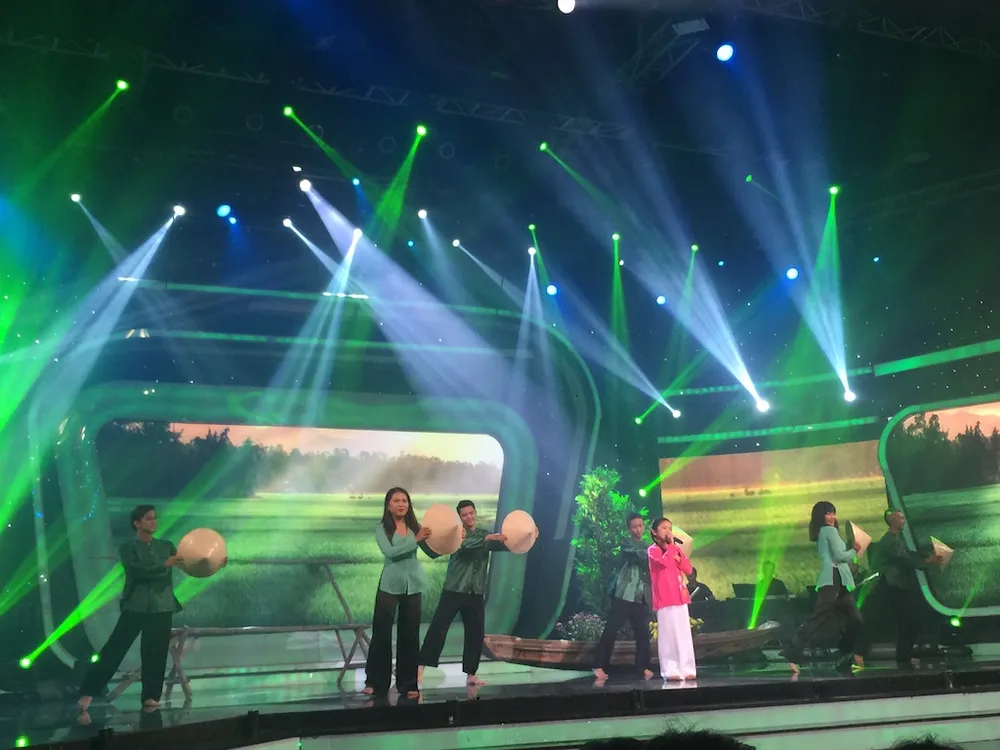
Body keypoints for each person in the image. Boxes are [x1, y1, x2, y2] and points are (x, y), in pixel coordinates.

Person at [78, 505, 223, 711]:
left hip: (162, 606)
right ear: (137, 523)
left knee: (156, 653)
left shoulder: (166, 546)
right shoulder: (128, 548)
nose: (153, 522)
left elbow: (188, 565)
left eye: (154, 518)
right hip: (135, 606)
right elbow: (138, 571)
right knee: (114, 649)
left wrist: (214, 563)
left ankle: (151, 697)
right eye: (148, 518)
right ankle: (88, 692)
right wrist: (164, 564)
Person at [418, 499, 508, 686]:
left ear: (475, 513)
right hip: (455, 589)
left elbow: (504, 544)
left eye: (471, 513)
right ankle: (420, 668)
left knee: (475, 633)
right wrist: (489, 539)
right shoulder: (458, 534)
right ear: (460, 517)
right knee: (438, 629)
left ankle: (471, 674)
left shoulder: (484, 534)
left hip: (476, 591)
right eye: (464, 514)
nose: (469, 517)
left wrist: (524, 536)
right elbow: (467, 545)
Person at [363, 487, 434, 700]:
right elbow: (390, 552)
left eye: (404, 500)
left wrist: (453, 537)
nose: (401, 504)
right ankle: (375, 681)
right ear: (388, 505)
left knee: (410, 635)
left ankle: (408, 683)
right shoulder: (381, 529)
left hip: (414, 584)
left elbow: (433, 551)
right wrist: (416, 539)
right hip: (390, 585)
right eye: (396, 501)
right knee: (382, 633)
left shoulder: (415, 527)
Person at [780, 501, 863, 674]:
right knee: (820, 617)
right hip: (833, 578)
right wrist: (854, 550)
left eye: (833, 513)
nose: (832, 517)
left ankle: (845, 656)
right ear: (821, 516)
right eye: (828, 513)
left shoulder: (826, 532)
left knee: (855, 619)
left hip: (840, 580)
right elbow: (839, 556)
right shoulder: (829, 531)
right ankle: (792, 651)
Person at [869, 509, 943, 663]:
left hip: (900, 585)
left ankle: (904, 655)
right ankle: (903, 656)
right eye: (901, 518)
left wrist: (926, 556)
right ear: (892, 521)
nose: (904, 520)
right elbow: (904, 559)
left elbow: (909, 554)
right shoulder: (888, 541)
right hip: (893, 586)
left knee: (909, 621)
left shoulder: (897, 538)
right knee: (908, 621)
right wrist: (927, 561)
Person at [593, 513, 654, 681]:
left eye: (640, 526)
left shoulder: (648, 546)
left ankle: (642, 667)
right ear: (629, 529)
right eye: (634, 527)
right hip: (624, 592)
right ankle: (599, 665)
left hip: (641, 595)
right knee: (612, 629)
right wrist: (652, 552)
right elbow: (639, 555)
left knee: (642, 632)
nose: (638, 529)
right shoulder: (626, 543)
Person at [648, 517, 696, 681]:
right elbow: (664, 563)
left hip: (680, 596)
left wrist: (678, 555)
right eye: (663, 528)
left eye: (670, 528)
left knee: (683, 634)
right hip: (665, 598)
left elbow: (688, 569)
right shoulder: (653, 550)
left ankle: (687, 668)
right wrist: (671, 549)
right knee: (668, 635)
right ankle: (670, 669)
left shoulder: (674, 549)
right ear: (654, 532)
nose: (668, 531)